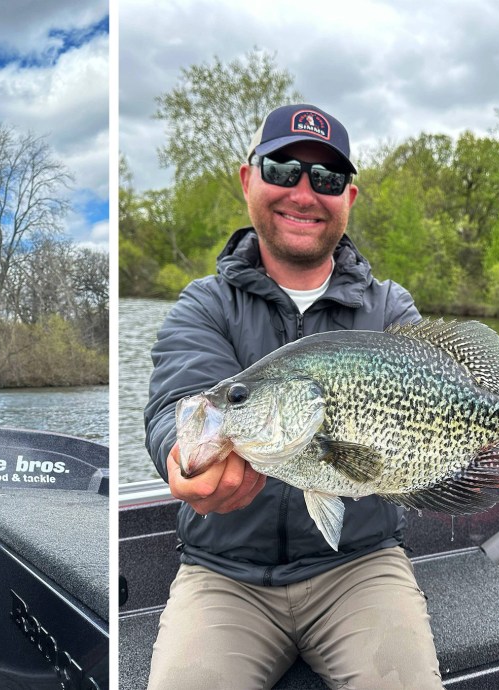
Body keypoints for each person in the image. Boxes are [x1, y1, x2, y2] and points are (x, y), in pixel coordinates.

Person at [144, 105, 443, 690]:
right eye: (283, 169)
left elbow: (428, 434)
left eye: (327, 179)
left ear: (348, 198)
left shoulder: (389, 310)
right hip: (224, 573)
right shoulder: (204, 305)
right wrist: (181, 459)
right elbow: (177, 404)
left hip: (361, 565)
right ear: (248, 178)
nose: (304, 192)